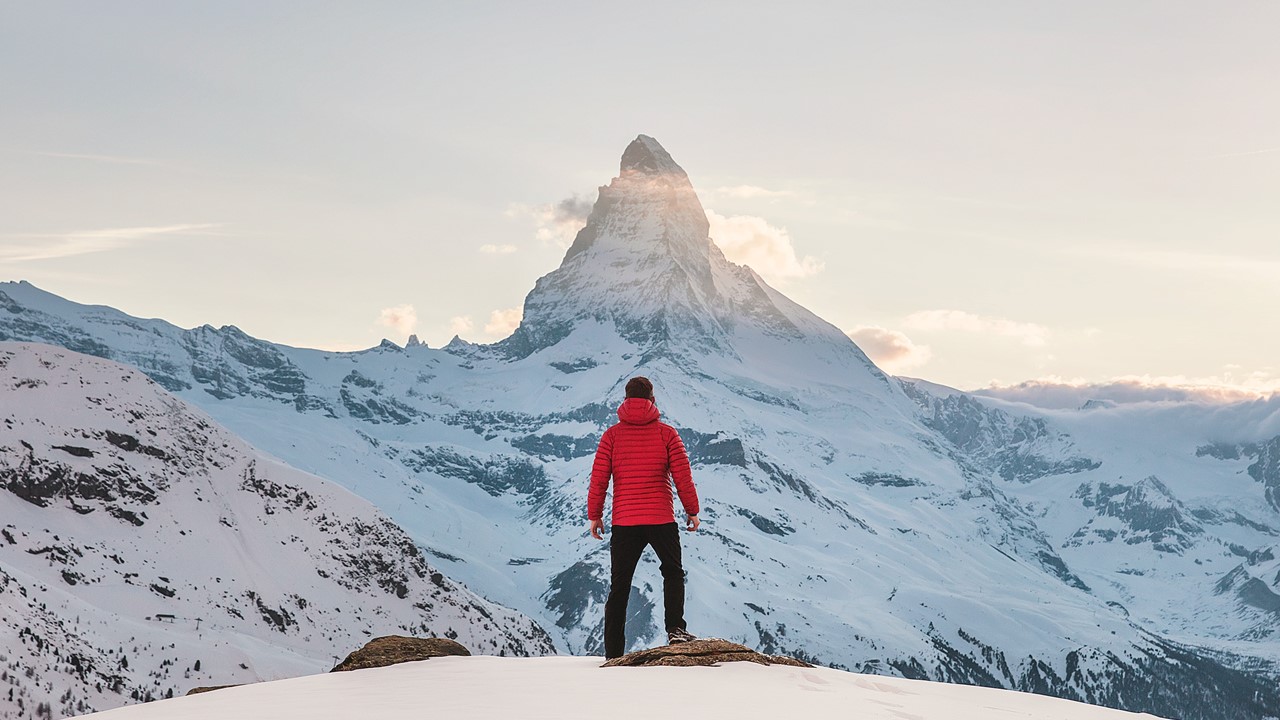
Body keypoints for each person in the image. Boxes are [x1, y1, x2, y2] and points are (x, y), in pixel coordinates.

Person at [588, 376, 701, 660]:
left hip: (625, 521)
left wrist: (595, 515)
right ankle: (676, 629)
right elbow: (682, 477)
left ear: (625, 399)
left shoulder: (611, 436)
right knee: (672, 572)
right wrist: (692, 511)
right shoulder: (667, 434)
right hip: (661, 518)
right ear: (652, 399)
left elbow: (599, 479)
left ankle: (613, 653)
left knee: (620, 585)